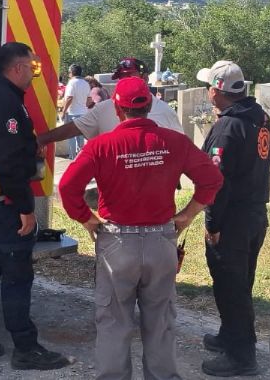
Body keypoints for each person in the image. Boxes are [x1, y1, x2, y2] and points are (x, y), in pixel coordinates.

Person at [58, 77, 224, 380]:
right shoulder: (174, 142)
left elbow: (68, 187)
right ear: (149, 106)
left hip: (117, 244)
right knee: (160, 321)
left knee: (113, 321)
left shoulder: (101, 146)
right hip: (161, 241)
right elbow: (212, 180)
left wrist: (87, 219)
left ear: (117, 110)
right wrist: (187, 215)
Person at [0, 42, 69, 371]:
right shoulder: (7, 102)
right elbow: (6, 160)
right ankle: (25, 348)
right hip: (6, 198)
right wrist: (24, 206)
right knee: (16, 277)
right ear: (17, 68)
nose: (37, 74)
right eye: (33, 68)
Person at [195, 60, 270, 377]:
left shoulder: (228, 127)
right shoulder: (259, 116)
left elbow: (216, 182)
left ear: (216, 90)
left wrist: (213, 224)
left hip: (233, 220)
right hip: (255, 214)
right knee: (241, 282)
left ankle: (241, 357)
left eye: (207, 87)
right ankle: (230, 335)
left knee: (231, 287)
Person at [38, 57, 182, 148]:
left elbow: (182, 150)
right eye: (121, 77)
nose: (125, 81)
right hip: (114, 193)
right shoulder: (104, 109)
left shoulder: (166, 112)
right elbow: (73, 128)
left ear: (144, 78)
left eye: (130, 76)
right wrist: (40, 141)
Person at [61, 64, 90, 159]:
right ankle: (81, 156)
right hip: (83, 112)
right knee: (80, 137)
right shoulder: (86, 83)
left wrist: (64, 111)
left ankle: (72, 156)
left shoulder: (72, 83)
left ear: (72, 72)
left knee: (71, 136)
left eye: (69, 72)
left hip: (73, 113)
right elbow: (89, 100)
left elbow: (69, 98)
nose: (69, 74)